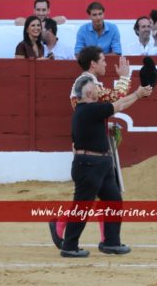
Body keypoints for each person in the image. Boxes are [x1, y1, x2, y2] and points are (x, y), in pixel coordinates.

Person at [60, 75, 152, 257]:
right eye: (95, 86)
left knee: (113, 200)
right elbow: (118, 105)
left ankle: (111, 242)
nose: (98, 88)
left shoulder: (89, 109)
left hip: (100, 163)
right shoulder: (87, 109)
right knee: (82, 206)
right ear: (88, 92)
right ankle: (69, 246)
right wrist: (137, 94)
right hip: (89, 164)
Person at [49, 45, 131, 249]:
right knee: (88, 197)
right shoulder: (87, 82)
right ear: (93, 63)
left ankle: (107, 239)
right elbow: (115, 98)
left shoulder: (88, 81)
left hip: (92, 141)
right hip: (90, 149)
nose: (105, 63)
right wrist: (125, 78)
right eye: (103, 60)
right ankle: (61, 225)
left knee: (105, 195)